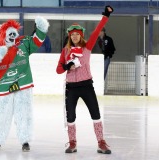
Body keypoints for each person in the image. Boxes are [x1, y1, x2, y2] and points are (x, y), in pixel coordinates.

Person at [0, 17, 49, 152]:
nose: (13, 37)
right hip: (3, 87)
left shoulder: (22, 43)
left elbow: (36, 41)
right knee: (1, 115)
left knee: (24, 113)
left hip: (22, 84)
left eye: (14, 34)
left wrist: (41, 29)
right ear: (3, 34)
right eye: (9, 34)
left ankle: (25, 140)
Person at [56, 6, 113, 154]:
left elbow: (96, 31)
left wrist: (105, 16)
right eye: (72, 34)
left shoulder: (87, 47)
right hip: (71, 88)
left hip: (86, 86)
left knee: (96, 114)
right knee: (71, 116)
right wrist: (66, 65)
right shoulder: (65, 51)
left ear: (81, 36)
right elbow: (58, 70)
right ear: (69, 36)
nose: (74, 36)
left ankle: (101, 142)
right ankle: (72, 143)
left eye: (77, 34)